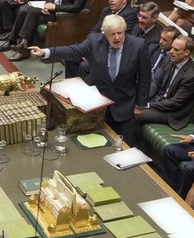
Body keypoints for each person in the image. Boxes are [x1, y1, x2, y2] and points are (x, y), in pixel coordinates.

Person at [30, 14, 152, 142]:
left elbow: (145, 77)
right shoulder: (94, 41)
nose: (117, 37)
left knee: (125, 144)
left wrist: (140, 105)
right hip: (96, 102)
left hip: (124, 104)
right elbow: (73, 51)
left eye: (120, 33)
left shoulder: (139, 46)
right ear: (105, 34)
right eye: (112, 34)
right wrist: (45, 52)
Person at [134, 35, 194, 131]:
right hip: (158, 100)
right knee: (130, 101)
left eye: (176, 50)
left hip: (171, 112)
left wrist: (148, 105)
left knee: (136, 113)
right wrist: (142, 100)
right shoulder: (169, 58)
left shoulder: (192, 77)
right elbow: (156, 82)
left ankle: (130, 140)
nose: (171, 51)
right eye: (172, 48)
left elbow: (175, 103)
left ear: (187, 52)